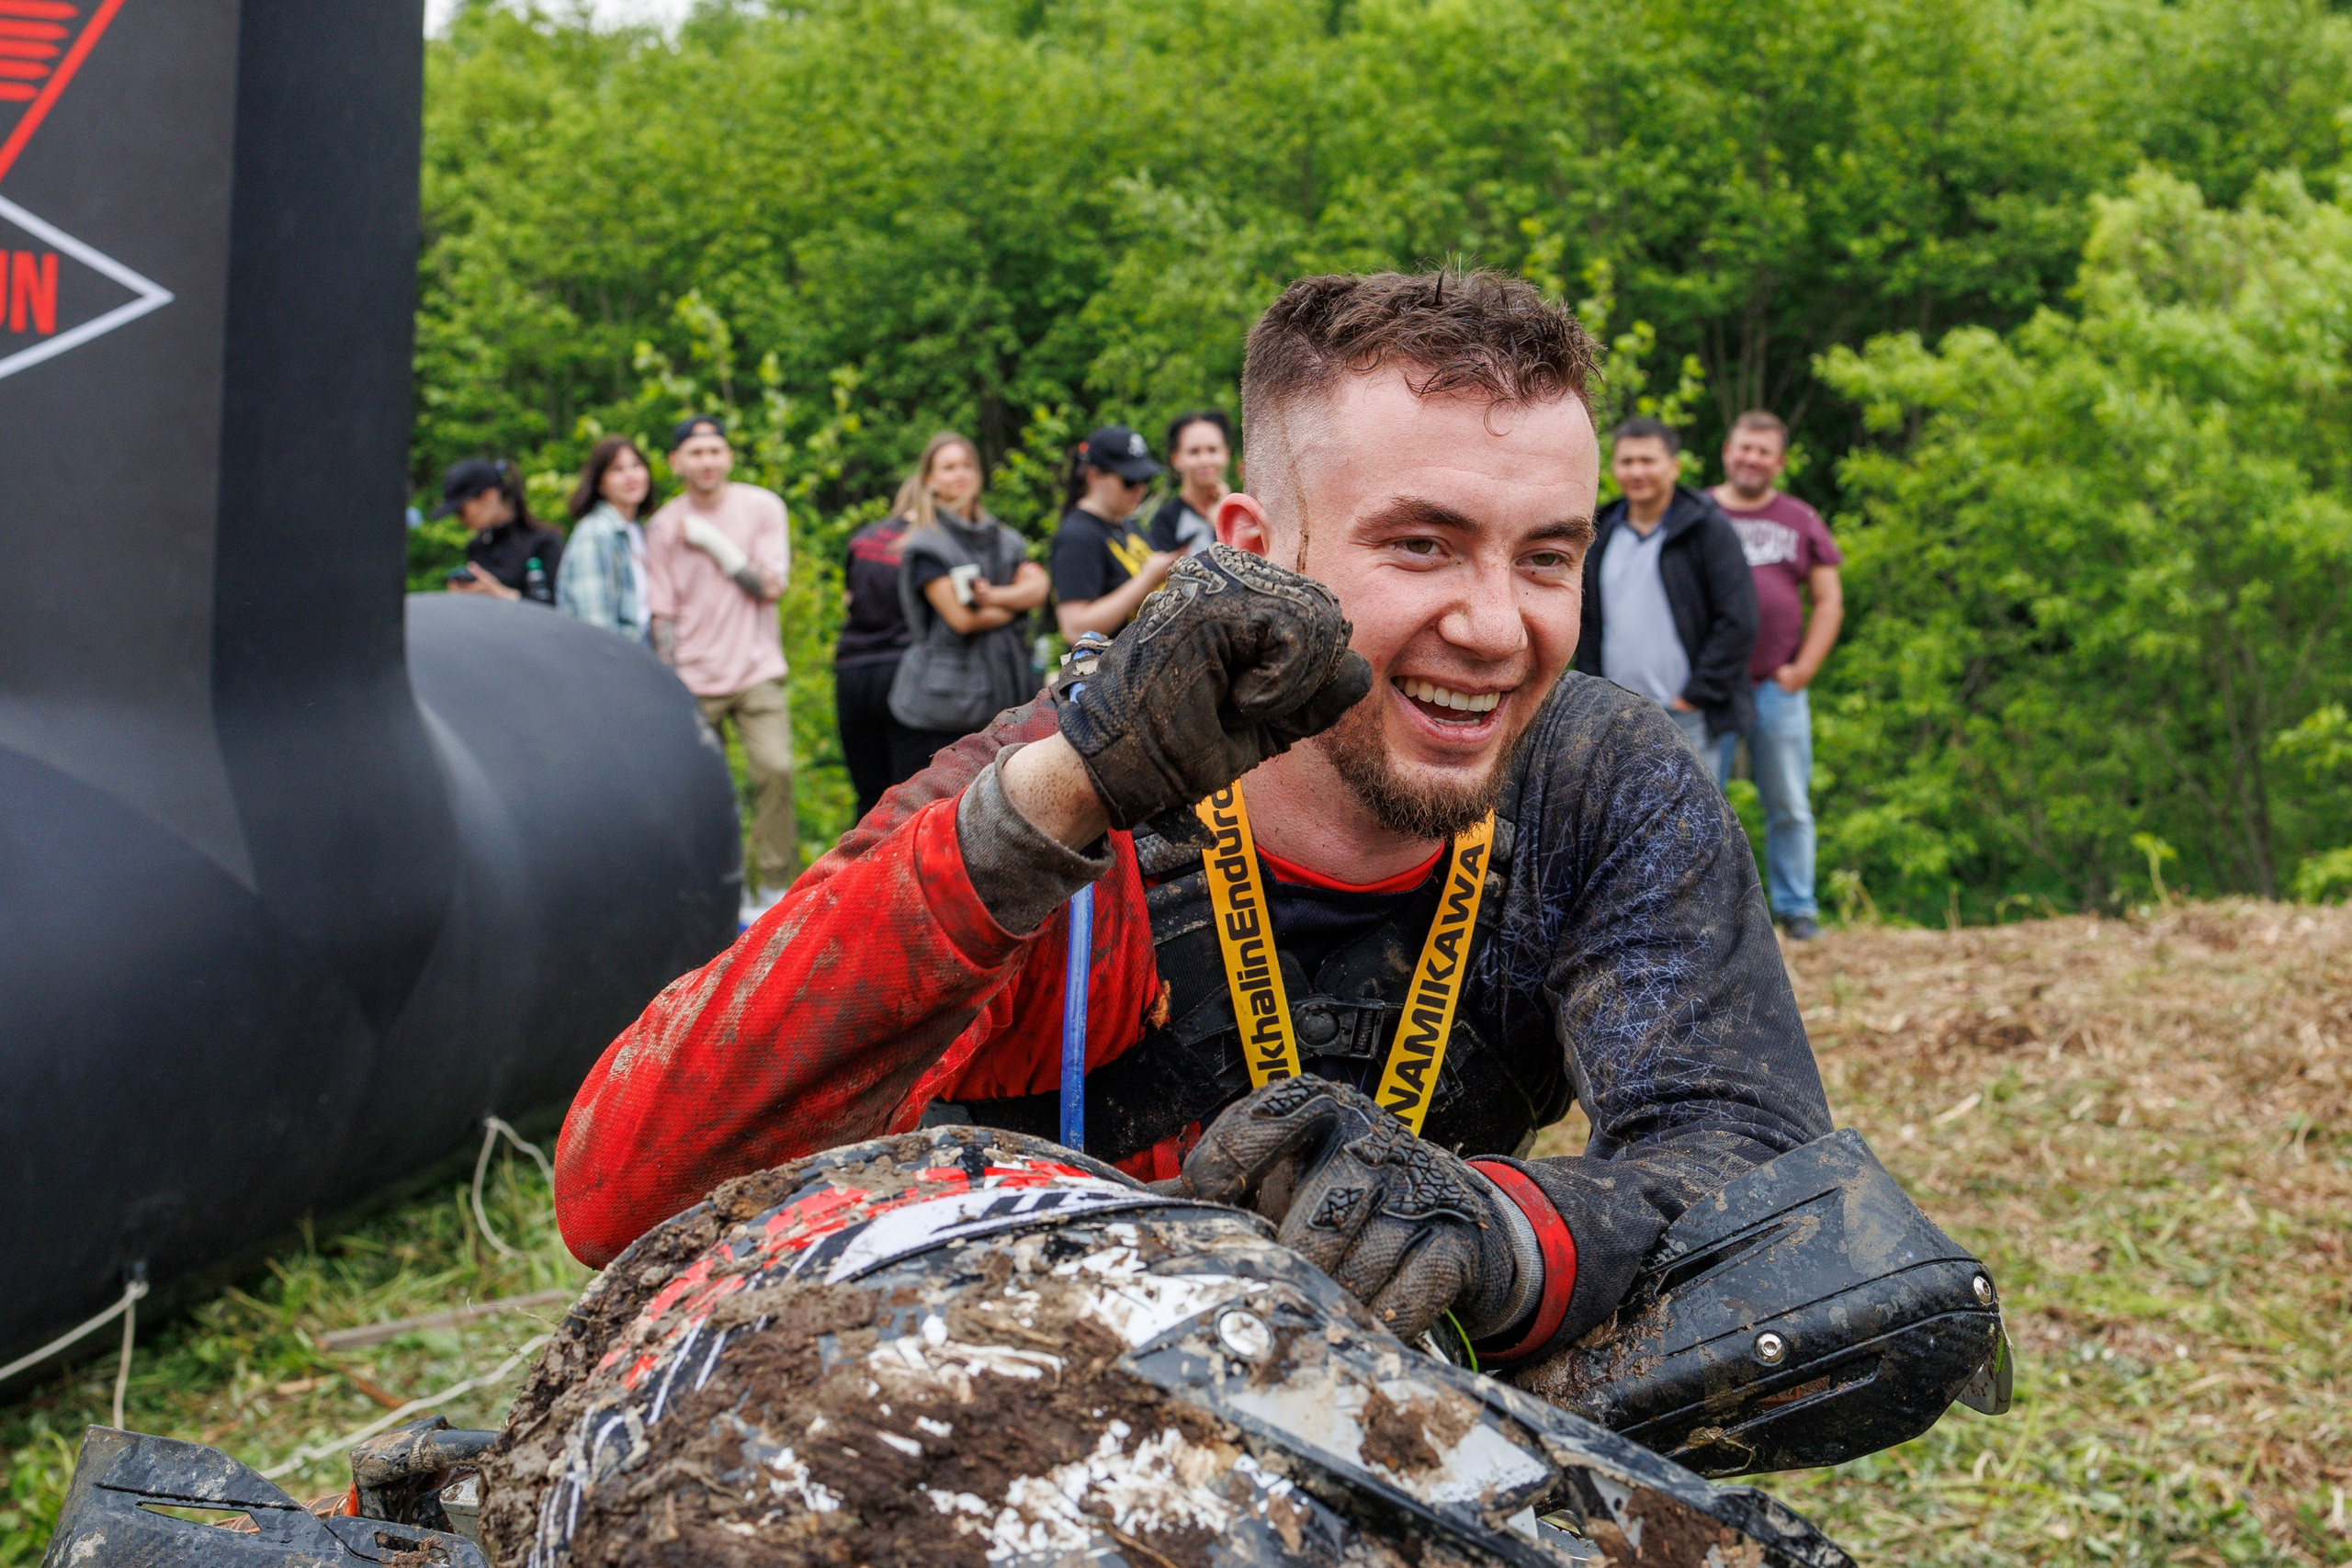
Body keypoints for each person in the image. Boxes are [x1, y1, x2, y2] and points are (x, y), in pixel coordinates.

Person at [554, 270, 1833, 1387]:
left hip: (1373, 1432)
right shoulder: (1058, 789)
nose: (1499, 626)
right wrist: (1061, 803)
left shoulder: (1590, 780)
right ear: (1255, 548)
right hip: (1025, 1424)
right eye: (1423, 544)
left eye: (1547, 557)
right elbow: (619, 1187)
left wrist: (1488, 1230)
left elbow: (1769, 1185)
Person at [643, 414, 796, 922]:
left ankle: (772, 887)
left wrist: (712, 542)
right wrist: (668, 684)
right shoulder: (663, 525)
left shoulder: (762, 507)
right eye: (695, 452)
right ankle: (709, 888)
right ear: (676, 462)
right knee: (698, 790)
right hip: (692, 676)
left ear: (728, 456)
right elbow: (660, 612)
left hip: (755, 669)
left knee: (775, 769)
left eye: (715, 450)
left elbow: (770, 586)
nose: (706, 461)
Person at [1709, 411, 1844, 941]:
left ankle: (1797, 909)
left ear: (1779, 462)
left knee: (1788, 802)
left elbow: (1829, 601)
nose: (1751, 459)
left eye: (1764, 451)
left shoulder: (1801, 519)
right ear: (1727, 451)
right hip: (1711, 689)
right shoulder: (1696, 513)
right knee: (1699, 803)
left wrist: (1804, 668)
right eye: (1745, 448)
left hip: (1776, 689)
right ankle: (1706, 915)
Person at [1572, 419, 1757, 761]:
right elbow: (1585, 621)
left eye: (1648, 460)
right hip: (1617, 715)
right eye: (1627, 461)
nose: (1636, 471)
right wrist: (1594, 693)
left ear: (1674, 467)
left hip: (1689, 714)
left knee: (1694, 815)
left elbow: (1738, 619)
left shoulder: (1707, 530)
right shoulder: (1597, 533)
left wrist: (1695, 695)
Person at [882, 432, 1050, 786]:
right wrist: (1017, 605)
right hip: (937, 710)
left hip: (1007, 698)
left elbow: (1039, 587)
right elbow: (962, 618)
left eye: (967, 465)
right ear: (929, 480)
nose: (960, 474)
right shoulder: (928, 545)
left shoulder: (1007, 540)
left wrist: (995, 597)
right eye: (948, 467)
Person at [1049, 425, 1178, 637]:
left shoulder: (1126, 523)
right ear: (1094, 476)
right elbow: (1074, 629)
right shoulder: (1077, 537)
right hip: (1107, 668)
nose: (1140, 489)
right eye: (1129, 481)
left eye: (1145, 479)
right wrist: (1146, 578)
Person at [835, 512, 916, 822]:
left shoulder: (863, 538)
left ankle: (859, 868)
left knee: (868, 796)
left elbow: (849, 598)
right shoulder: (934, 541)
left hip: (853, 669)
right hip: (905, 669)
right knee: (908, 795)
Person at [555, 436, 654, 640]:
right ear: (599, 484)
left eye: (636, 465)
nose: (630, 476)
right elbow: (597, 628)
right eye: (617, 469)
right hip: (615, 660)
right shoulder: (594, 534)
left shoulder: (636, 530)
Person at [435, 457, 564, 604]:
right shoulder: (477, 547)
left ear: (489, 496)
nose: (460, 520)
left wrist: (498, 593)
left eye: (461, 511)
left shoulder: (544, 542)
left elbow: (557, 608)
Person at [1147, 410, 1233, 557]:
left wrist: (1223, 520)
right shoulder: (1166, 521)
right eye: (1194, 452)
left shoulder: (1242, 512)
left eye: (1212, 450)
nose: (1204, 460)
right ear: (1176, 459)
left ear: (1226, 454)